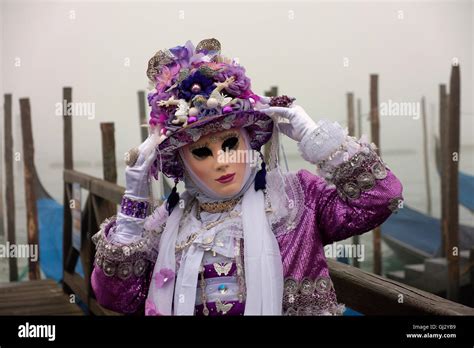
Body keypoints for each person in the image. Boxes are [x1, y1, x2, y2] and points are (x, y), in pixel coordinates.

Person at [91, 38, 403, 316]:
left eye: (230, 144)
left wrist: (317, 138)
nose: (222, 162)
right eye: (202, 152)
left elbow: (381, 199)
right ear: (183, 163)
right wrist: (133, 202)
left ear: (247, 141)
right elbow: (115, 298)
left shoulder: (296, 201)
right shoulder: (167, 222)